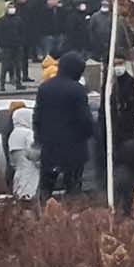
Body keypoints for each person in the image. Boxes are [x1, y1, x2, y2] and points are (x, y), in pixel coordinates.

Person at [31, 52, 95, 200]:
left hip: (50, 147)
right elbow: (84, 119)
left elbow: (37, 117)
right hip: (73, 147)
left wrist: (40, 139)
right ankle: (72, 217)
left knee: (46, 187)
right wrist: (88, 134)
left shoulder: (45, 88)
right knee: (73, 188)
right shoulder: (77, 90)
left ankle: (42, 216)